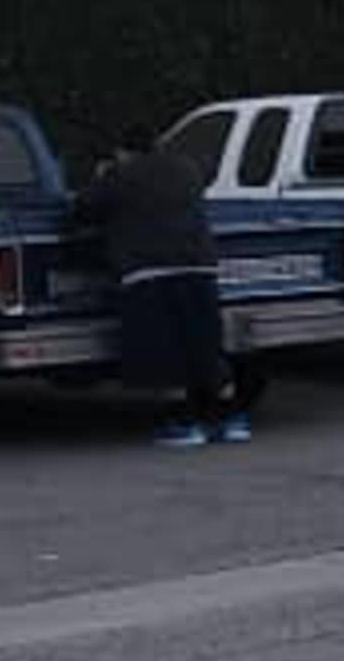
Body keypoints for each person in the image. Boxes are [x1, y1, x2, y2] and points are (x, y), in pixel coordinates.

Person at [70, 127, 242, 448]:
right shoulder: (186, 169)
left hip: (151, 272)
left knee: (168, 352)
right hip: (200, 265)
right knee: (206, 346)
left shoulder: (121, 175)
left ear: (122, 152)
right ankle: (229, 420)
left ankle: (183, 423)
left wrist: (101, 177)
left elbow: (83, 209)